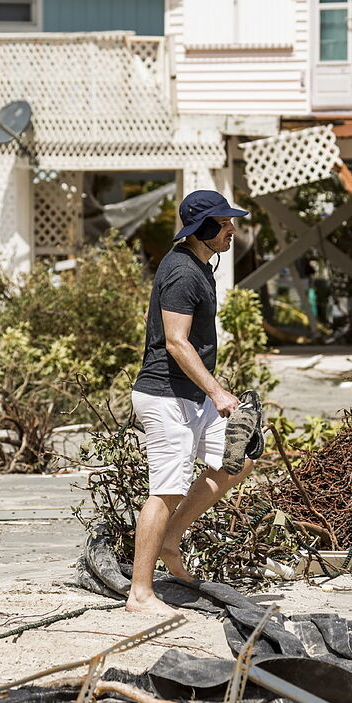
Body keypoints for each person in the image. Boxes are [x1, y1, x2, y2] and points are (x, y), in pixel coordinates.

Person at [127, 189, 254, 616]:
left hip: (191, 396)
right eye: (225, 223)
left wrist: (211, 392)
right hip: (166, 397)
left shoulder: (202, 266)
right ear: (203, 228)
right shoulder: (182, 272)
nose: (232, 229)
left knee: (236, 461)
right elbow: (177, 343)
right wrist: (219, 391)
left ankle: (170, 538)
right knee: (165, 491)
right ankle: (139, 594)